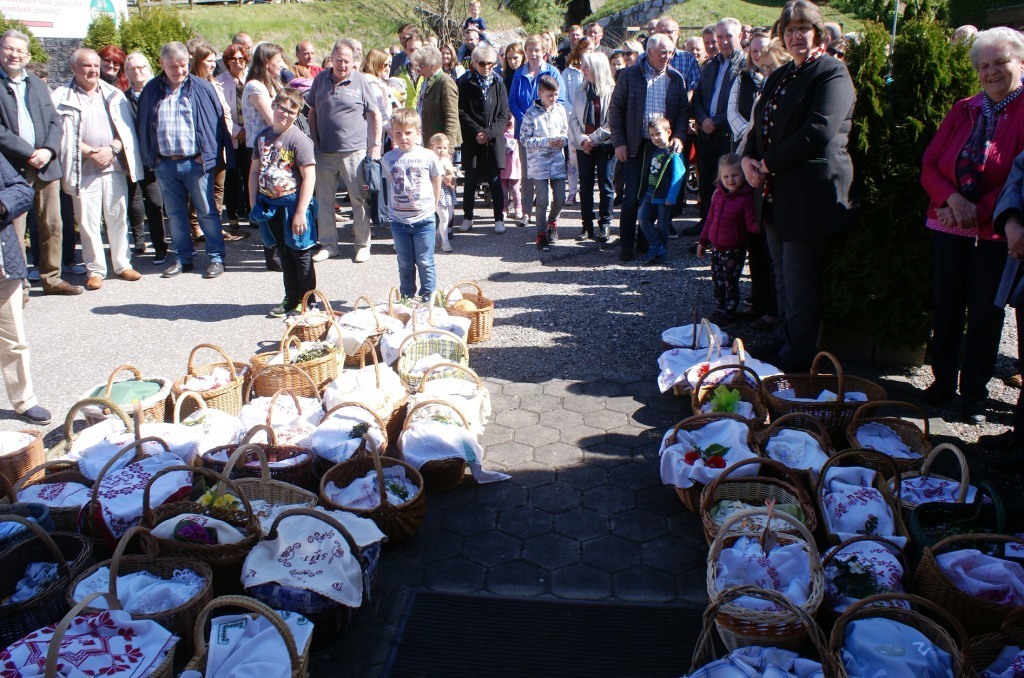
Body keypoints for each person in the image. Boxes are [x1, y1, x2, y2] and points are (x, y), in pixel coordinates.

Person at [741, 0, 857, 370]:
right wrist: (748, 159)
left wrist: (766, 163)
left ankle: (798, 356)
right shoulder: (781, 74)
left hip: (808, 193)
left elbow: (818, 130)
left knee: (799, 278)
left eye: (803, 29)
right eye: (789, 30)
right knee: (781, 274)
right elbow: (760, 125)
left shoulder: (831, 72)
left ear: (818, 33)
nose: (795, 36)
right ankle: (783, 341)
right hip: (776, 192)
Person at [918, 26, 1024, 424]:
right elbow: (930, 163)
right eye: (984, 65)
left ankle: (974, 393)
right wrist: (951, 200)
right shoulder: (964, 108)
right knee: (946, 308)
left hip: (995, 233)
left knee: (984, 314)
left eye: (1000, 62)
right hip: (947, 224)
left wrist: (976, 210)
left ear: (1020, 63)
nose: (991, 71)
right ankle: (943, 381)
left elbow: (1018, 180)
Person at [137, 41, 230, 280]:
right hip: (165, 163)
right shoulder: (151, 90)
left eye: (183, 65)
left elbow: (216, 123)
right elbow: (144, 124)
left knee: (207, 212)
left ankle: (216, 258)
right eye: (173, 66)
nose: (179, 71)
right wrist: (154, 158)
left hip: (195, 163)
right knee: (176, 214)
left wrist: (206, 154)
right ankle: (183, 258)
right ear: (161, 64)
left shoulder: (201, 87)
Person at [52, 48, 143, 291]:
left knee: (118, 217)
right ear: (73, 68)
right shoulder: (61, 96)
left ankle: (123, 264)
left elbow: (125, 130)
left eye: (95, 65)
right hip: (83, 168)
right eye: (86, 65)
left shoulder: (114, 94)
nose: (93, 70)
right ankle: (95, 270)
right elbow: (61, 134)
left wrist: (111, 149)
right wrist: (91, 152)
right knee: (88, 222)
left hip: (113, 165)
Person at [0, 29, 81, 295]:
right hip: (11, 169)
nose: (14, 55)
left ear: (27, 55)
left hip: (45, 165)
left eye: (19, 50)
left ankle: (52, 278)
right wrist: (28, 152)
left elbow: (54, 122)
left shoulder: (35, 83)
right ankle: (18, 285)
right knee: (14, 228)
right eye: (9, 49)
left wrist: (47, 150)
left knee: (51, 224)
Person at [609, 33, 690, 261]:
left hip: (662, 147)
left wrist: (679, 137)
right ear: (650, 52)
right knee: (632, 195)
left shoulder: (675, 78)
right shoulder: (630, 75)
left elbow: (683, 112)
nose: (668, 57)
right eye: (663, 53)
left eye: (670, 52)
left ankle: (645, 241)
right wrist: (619, 142)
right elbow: (615, 109)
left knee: (656, 194)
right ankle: (626, 244)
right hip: (636, 145)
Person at [306, 39, 382, 263]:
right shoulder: (320, 79)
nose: (343, 65)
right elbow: (312, 112)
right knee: (324, 200)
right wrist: (314, 140)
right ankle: (328, 245)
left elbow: (374, 113)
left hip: (354, 151)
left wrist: (375, 144)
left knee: (359, 199)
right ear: (332, 59)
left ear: (353, 61)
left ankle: (362, 245)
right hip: (324, 152)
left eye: (347, 61)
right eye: (339, 60)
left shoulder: (361, 81)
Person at [248, 88, 318, 318]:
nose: (285, 114)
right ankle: (291, 297)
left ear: (297, 115)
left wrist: (300, 212)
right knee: (284, 252)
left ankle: (308, 301)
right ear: (274, 105)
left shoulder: (299, 140)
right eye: (282, 108)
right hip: (270, 205)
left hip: (293, 205)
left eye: (291, 111)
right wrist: (253, 204)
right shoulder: (262, 137)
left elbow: (309, 177)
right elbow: (254, 171)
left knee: (300, 252)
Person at [0, 152, 50, 423]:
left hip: (3, 269)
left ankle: (24, 400)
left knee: (14, 340)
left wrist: (2, 204)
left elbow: (21, 189)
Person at [382, 108, 441, 300]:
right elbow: (391, 183)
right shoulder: (388, 158)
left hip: (423, 218)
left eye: (408, 133)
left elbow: (436, 178)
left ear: (418, 132)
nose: (403, 137)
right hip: (399, 220)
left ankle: (428, 296)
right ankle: (407, 296)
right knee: (404, 262)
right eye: (398, 133)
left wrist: (434, 203)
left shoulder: (428, 155)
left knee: (425, 260)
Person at [693, 18, 747, 226]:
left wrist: (715, 121)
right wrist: (702, 119)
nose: (723, 42)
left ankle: (724, 229)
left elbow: (740, 104)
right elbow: (697, 97)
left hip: (728, 136)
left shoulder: (745, 66)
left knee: (729, 184)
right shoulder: (710, 65)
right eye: (720, 37)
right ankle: (706, 225)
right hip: (707, 136)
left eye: (728, 37)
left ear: (740, 36)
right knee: (707, 183)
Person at [510, 35, 567, 227]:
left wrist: (544, 121)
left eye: (537, 50)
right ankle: (526, 212)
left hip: (550, 131)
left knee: (551, 176)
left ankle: (548, 215)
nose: (533, 54)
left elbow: (560, 100)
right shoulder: (519, 73)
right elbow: (513, 101)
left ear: (545, 52)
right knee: (527, 173)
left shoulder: (552, 72)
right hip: (526, 130)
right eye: (530, 50)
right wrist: (527, 120)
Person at [697, 153, 757, 325]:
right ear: (720, 177)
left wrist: (763, 225)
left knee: (730, 282)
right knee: (718, 281)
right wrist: (702, 241)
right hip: (716, 248)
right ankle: (719, 309)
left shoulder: (746, 198)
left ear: (743, 175)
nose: (730, 180)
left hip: (734, 249)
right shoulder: (717, 195)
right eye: (726, 176)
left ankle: (729, 313)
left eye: (735, 175)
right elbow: (710, 220)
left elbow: (752, 225)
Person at [457, 43, 509, 235]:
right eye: (482, 63)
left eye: (490, 63)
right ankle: (467, 217)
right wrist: (478, 132)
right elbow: (461, 111)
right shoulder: (465, 83)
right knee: (470, 181)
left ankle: (499, 218)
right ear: (474, 63)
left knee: (495, 181)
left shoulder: (499, 83)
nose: (486, 67)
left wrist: (488, 133)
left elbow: (503, 114)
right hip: (472, 139)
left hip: (493, 140)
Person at [123, 52, 168, 264]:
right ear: (126, 72)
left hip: (157, 156)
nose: (137, 71)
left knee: (156, 202)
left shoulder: (160, 93)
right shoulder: (122, 99)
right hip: (132, 156)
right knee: (134, 199)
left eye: (141, 67)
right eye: (132, 68)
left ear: (149, 69)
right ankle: (140, 241)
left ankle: (162, 246)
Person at [568, 50, 614, 242]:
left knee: (605, 185)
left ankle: (605, 223)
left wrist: (593, 139)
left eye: (586, 66)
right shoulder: (581, 90)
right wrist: (582, 139)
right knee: (585, 186)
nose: (582, 69)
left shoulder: (611, 91)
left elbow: (612, 122)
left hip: (605, 145)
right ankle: (586, 224)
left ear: (597, 68)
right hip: (583, 146)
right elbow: (573, 119)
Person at [521, 75, 568, 252]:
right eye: (549, 95)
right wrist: (546, 142)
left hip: (557, 162)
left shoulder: (560, 110)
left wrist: (562, 140)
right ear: (540, 94)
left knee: (560, 197)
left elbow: (565, 132)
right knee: (542, 200)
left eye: (555, 95)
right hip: (538, 164)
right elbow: (524, 139)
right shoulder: (531, 113)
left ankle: (552, 222)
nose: (553, 99)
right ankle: (540, 233)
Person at [637, 115, 685, 265]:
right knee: (642, 218)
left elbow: (678, 175)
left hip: (664, 195)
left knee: (663, 224)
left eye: (658, 133)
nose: (655, 138)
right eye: (652, 135)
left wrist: (672, 196)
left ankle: (661, 250)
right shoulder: (653, 150)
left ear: (668, 132)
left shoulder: (673, 153)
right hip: (650, 192)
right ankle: (655, 245)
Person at [215, 44, 250, 227]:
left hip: (251, 136)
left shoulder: (251, 79)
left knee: (250, 175)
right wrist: (237, 131)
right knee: (232, 177)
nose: (238, 63)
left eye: (241, 59)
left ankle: (253, 214)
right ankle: (233, 216)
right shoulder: (219, 82)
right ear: (227, 61)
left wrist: (248, 131)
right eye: (233, 59)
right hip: (231, 138)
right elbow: (221, 112)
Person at [412, 46, 461, 150]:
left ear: (432, 66)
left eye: (422, 65)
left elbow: (452, 117)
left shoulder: (445, 82)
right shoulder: (426, 80)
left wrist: (448, 148)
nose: (419, 69)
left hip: (441, 145)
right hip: (428, 142)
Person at [655, 17, 701, 91]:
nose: (665, 35)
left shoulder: (688, 59)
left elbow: (693, 89)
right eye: (661, 32)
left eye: (669, 32)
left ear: (677, 33)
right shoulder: (644, 59)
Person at [429, 132, 456, 252]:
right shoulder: (431, 160)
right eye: (439, 147)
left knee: (449, 216)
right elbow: (431, 177)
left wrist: (451, 177)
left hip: (447, 190)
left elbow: (451, 174)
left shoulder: (446, 160)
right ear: (432, 147)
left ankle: (436, 234)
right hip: (436, 190)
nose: (442, 150)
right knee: (444, 217)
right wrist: (444, 177)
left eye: (444, 148)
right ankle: (445, 242)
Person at [501, 117, 522, 222]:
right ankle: (504, 209)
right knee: (503, 189)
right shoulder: (501, 132)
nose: (508, 122)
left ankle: (518, 208)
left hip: (514, 165)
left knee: (515, 189)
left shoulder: (517, 132)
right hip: (503, 165)